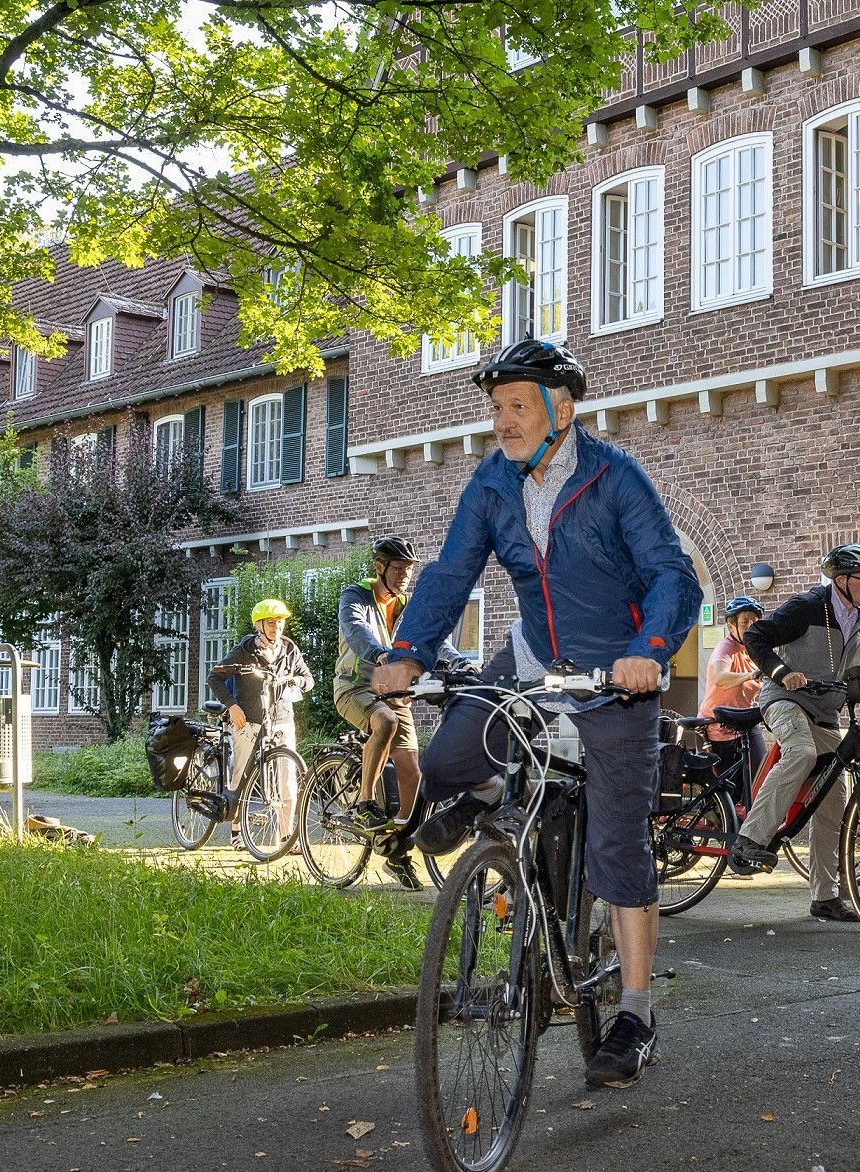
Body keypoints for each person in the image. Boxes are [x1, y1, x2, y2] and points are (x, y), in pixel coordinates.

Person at [369, 338, 700, 1090]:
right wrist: (410, 649)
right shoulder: (491, 482)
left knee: (619, 848)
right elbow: (452, 571)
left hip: (614, 677)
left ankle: (636, 1014)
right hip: (528, 658)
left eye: (517, 406)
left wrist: (649, 648)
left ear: (562, 408)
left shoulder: (617, 478)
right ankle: (494, 805)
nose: (503, 422)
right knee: (450, 760)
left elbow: (670, 576)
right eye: (497, 408)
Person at [729, 544, 860, 924]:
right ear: (842, 581)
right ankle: (749, 840)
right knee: (802, 752)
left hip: (826, 712)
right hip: (785, 699)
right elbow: (756, 636)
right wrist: (780, 672)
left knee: (832, 803)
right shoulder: (807, 607)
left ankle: (825, 897)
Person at [334, 535, 457, 891]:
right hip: (354, 687)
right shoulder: (355, 595)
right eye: (398, 568)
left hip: (394, 693)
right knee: (384, 722)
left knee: (412, 772)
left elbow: (434, 639)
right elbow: (356, 630)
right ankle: (365, 802)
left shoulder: (404, 605)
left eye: (408, 569)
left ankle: (397, 845)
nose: (404, 575)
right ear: (380, 567)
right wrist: (381, 655)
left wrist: (461, 662)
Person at [209, 597, 317, 846]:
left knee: (287, 778)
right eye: (270, 623)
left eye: (279, 623)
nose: (276, 628)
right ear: (260, 625)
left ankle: (285, 836)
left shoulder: (289, 649)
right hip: (249, 720)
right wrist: (232, 706)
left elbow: (308, 678)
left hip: (282, 719)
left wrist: (298, 681)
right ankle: (236, 829)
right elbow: (215, 677)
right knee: (241, 773)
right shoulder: (245, 650)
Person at [699, 596, 766, 788]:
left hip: (744, 723)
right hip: (718, 726)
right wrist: (749, 675)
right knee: (727, 788)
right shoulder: (725, 649)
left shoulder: (753, 649)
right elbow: (720, 677)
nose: (751, 626)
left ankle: (750, 815)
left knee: (759, 776)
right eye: (745, 621)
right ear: (731, 625)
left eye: (755, 621)